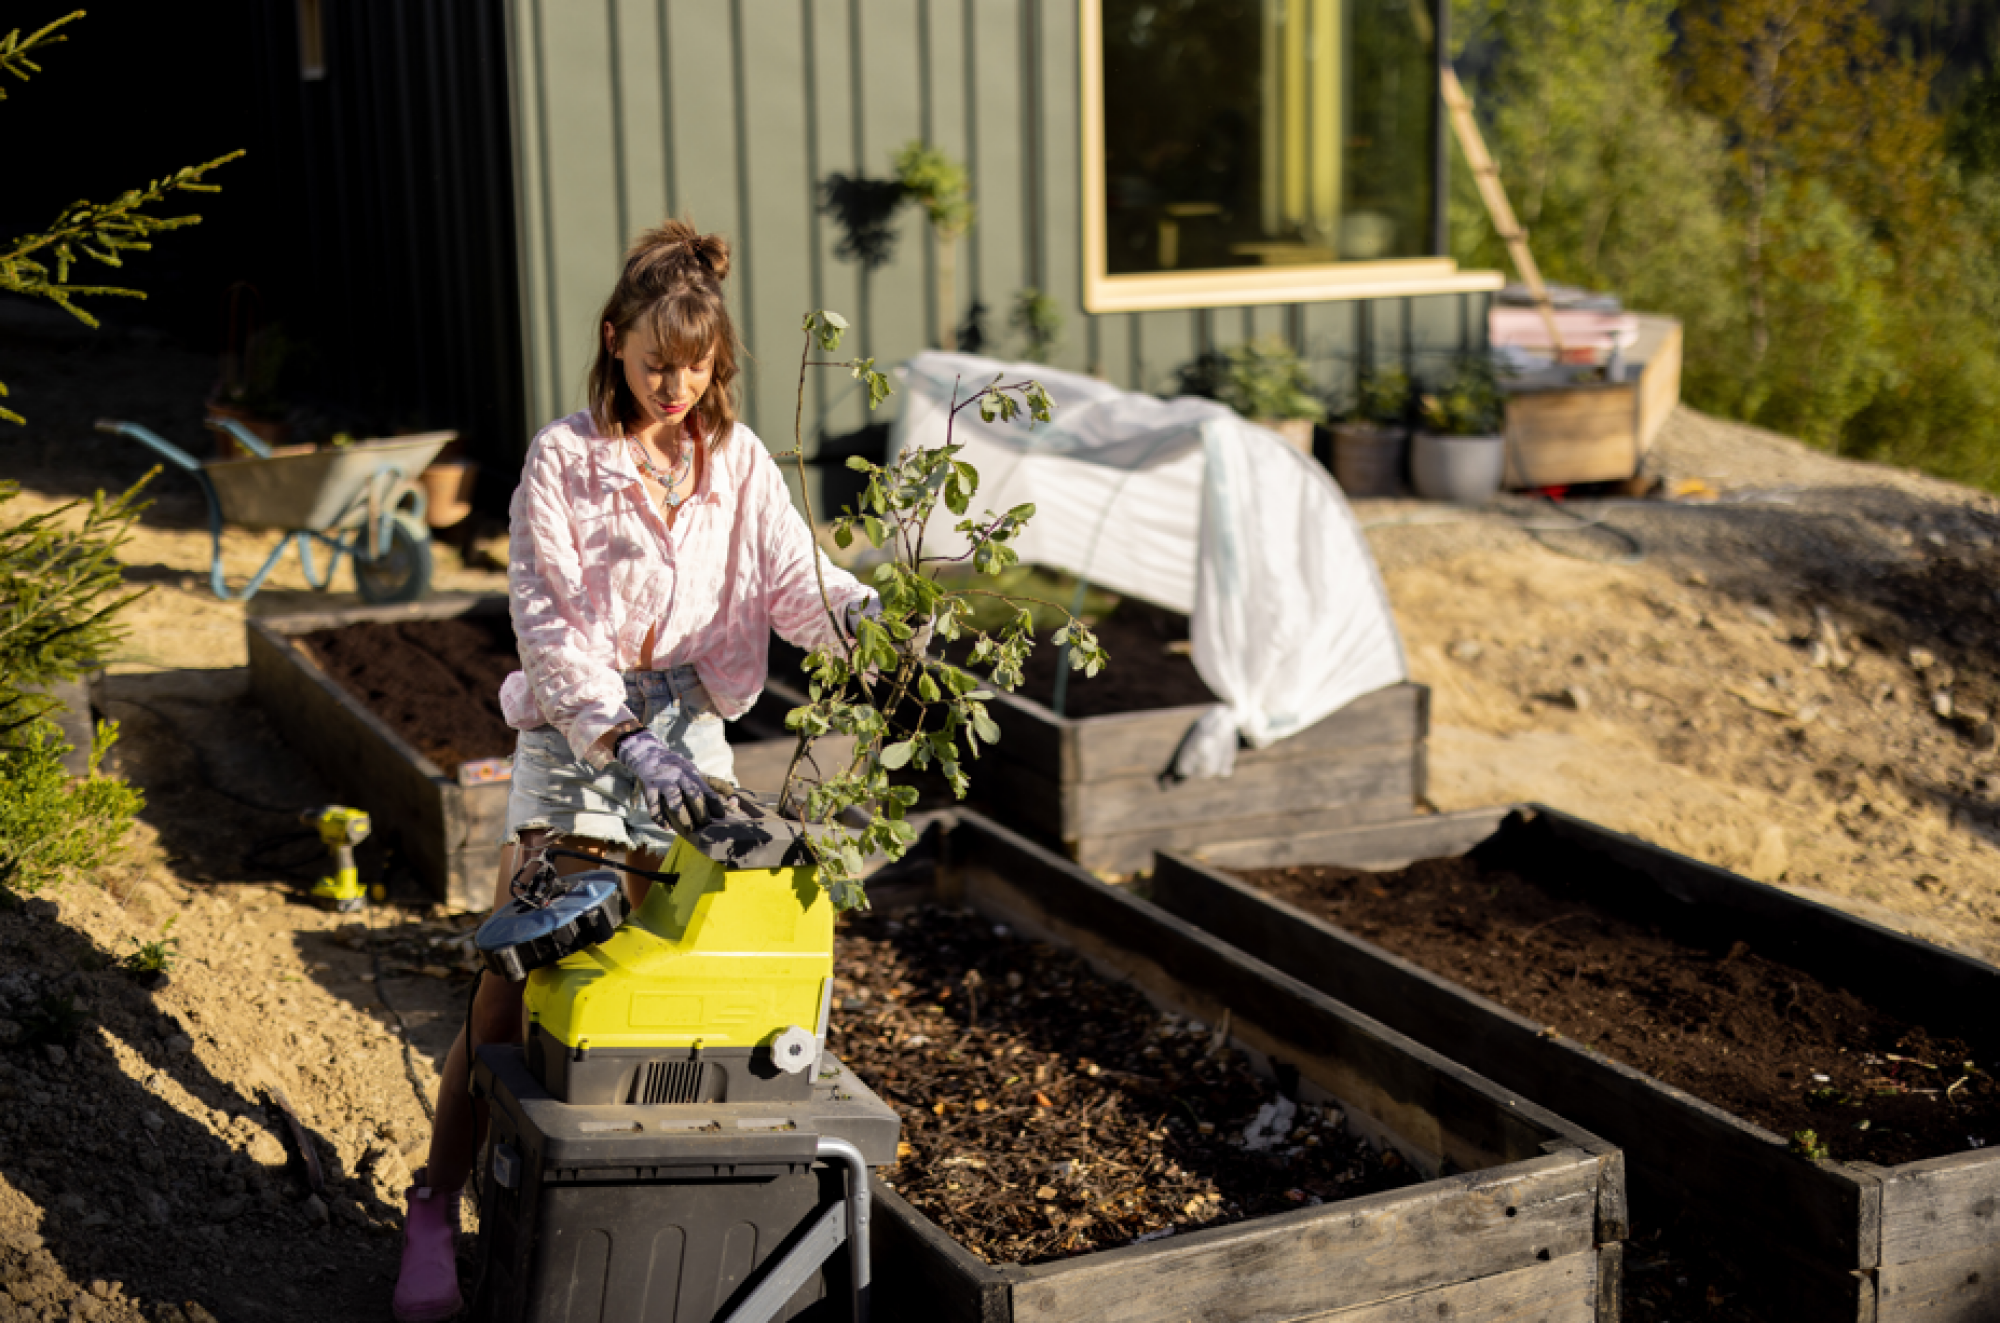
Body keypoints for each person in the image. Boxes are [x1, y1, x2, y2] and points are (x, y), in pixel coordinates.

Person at [392, 218, 877, 1323]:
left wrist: (861, 614)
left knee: (665, 987)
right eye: (656, 362)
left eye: (696, 367)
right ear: (613, 340)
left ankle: (601, 1216)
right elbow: (549, 625)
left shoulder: (738, 461)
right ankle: (433, 1205)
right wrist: (619, 739)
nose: (675, 385)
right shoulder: (563, 460)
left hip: (693, 737)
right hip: (579, 739)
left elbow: (793, 581)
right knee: (518, 986)